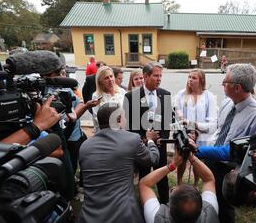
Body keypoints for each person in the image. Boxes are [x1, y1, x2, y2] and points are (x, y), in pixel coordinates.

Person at [77, 103, 159, 223]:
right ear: (119, 119)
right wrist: (150, 141)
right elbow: (152, 159)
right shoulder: (131, 139)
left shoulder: (85, 146)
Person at [207, 63, 256, 223]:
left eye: (225, 81)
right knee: (211, 195)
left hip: (230, 168)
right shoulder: (227, 102)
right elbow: (219, 129)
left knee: (225, 204)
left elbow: (254, 153)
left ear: (237, 87)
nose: (222, 84)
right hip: (213, 158)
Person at [139, 148, 219, 223]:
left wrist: (172, 165)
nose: (173, 188)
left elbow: (144, 184)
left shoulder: (157, 222)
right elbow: (209, 179)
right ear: (201, 206)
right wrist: (192, 158)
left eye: (173, 190)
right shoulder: (211, 214)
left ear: (169, 208)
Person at [123, 61, 174, 204]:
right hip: (141, 145)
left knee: (162, 174)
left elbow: (168, 120)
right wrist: (144, 139)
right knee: (144, 174)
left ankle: (165, 202)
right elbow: (130, 125)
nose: (159, 79)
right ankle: (144, 202)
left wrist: (162, 138)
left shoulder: (165, 94)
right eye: (156, 76)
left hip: (160, 143)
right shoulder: (131, 97)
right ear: (145, 76)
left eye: (160, 76)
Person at [173, 69, 218, 186]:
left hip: (202, 135)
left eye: (194, 78)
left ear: (201, 80)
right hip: (184, 133)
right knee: (181, 159)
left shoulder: (209, 97)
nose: (190, 80)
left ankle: (195, 185)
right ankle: (179, 184)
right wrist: (184, 126)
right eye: (189, 77)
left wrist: (195, 127)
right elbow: (177, 113)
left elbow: (212, 123)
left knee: (197, 161)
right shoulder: (181, 94)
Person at [91, 66, 127, 133]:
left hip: (123, 131)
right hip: (106, 133)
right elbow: (97, 118)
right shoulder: (96, 96)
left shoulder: (122, 92)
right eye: (106, 78)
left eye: (111, 76)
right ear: (100, 81)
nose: (110, 79)